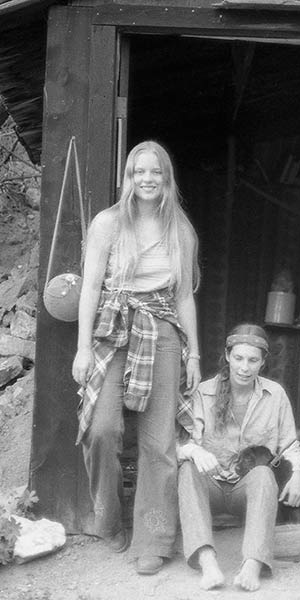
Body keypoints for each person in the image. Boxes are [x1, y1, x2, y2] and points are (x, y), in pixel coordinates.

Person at [71, 140, 201, 576]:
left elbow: (183, 296)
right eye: (139, 171)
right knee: (102, 428)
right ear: (129, 177)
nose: (147, 179)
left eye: (156, 172)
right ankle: (107, 518)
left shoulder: (178, 229)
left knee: (158, 441)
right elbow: (90, 287)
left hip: (162, 331)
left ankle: (155, 538)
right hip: (113, 329)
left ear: (167, 179)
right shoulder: (107, 223)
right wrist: (83, 347)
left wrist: (194, 353)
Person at [177, 323, 300, 591]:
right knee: (188, 470)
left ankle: (253, 564)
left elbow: (290, 443)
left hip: (245, 490)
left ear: (263, 362)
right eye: (238, 358)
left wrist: (297, 475)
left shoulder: (275, 395)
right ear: (227, 356)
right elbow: (180, 446)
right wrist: (194, 449)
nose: (244, 367)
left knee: (263, 473)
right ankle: (207, 560)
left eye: (252, 360)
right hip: (211, 485)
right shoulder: (203, 391)